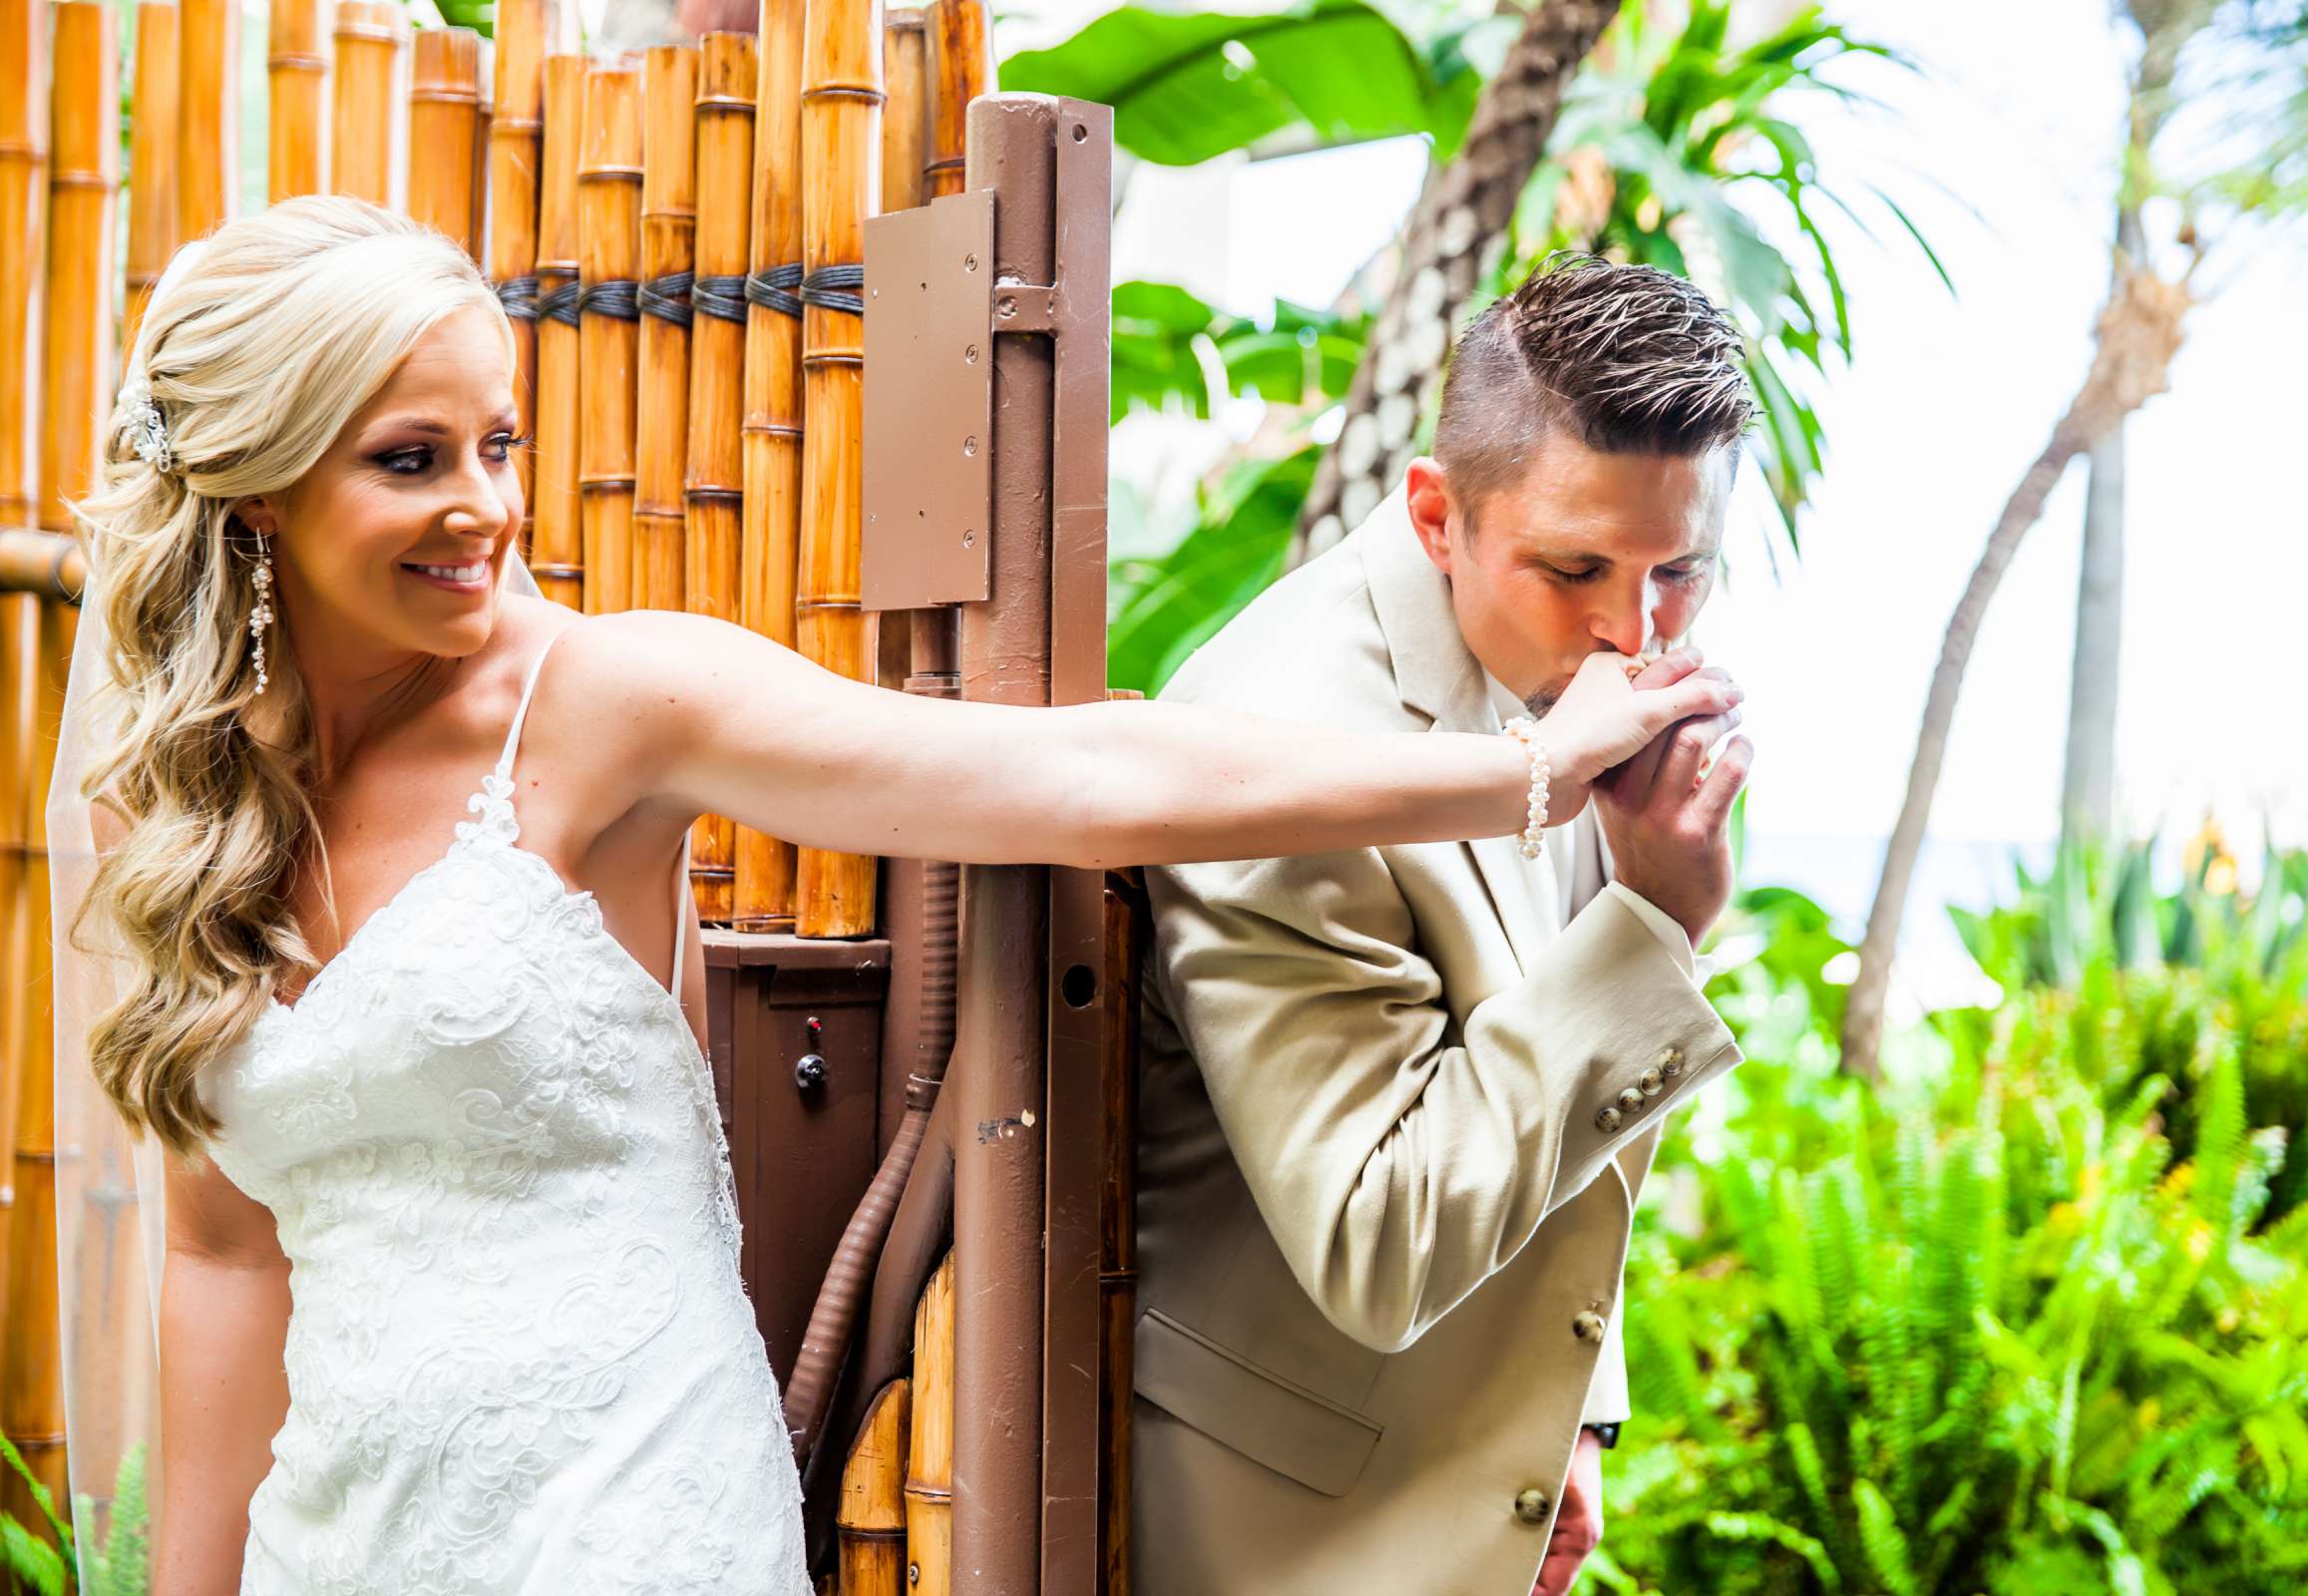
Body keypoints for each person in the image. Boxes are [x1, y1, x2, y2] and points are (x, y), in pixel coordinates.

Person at [48, 200, 1741, 1596]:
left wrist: (1533, 773)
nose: (486, 509)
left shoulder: (609, 705)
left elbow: (1094, 783)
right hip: (342, 1542)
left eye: (499, 443)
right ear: (255, 482)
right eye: (412, 460)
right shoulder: (169, 806)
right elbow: (221, 1257)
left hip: (627, 1520)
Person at [1131, 253, 1758, 1596]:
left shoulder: (1568, 681)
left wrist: (1570, 1410)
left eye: (1679, 576)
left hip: (1456, 1482)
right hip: (1294, 1534)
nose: (1628, 635)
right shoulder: (1286, 749)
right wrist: (1652, 924)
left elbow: (1533, 1059)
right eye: (1575, 567)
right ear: (1435, 515)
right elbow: (1378, 1236)